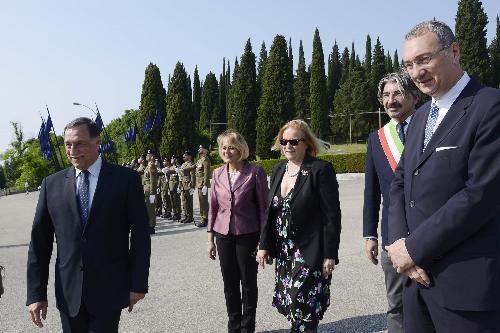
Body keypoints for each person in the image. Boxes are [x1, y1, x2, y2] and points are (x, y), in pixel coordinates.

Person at [386, 20, 500, 332]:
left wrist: (413, 249)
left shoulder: (490, 106)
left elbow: (480, 195)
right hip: (416, 283)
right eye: (409, 64)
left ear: (453, 51)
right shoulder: (421, 115)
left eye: (424, 60)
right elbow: (399, 181)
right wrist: (397, 242)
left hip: (465, 288)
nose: (416, 72)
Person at [26, 117, 150, 332]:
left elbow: (140, 236)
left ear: (97, 142)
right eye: (68, 144)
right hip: (68, 292)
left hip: (109, 288)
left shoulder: (125, 179)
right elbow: (40, 243)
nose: (72, 150)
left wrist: (138, 284)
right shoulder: (51, 184)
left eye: (80, 143)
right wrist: (36, 294)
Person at [257, 120, 341, 333]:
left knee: (302, 305)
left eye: (294, 141)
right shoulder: (278, 170)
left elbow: (331, 216)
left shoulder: (320, 170)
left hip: (309, 252)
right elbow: (270, 212)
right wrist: (264, 244)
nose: (288, 146)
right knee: (292, 307)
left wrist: (330, 254)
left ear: (306, 143)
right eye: (284, 141)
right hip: (285, 252)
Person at [363, 72, 419, 333]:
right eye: (386, 95)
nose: (391, 100)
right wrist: (369, 235)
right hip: (392, 235)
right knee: (396, 305)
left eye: (397, 93)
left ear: (414, 95)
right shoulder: (377, 139)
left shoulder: (433, 127)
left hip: (430, 230)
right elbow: (371, 192)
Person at [207, 131, 269, 333]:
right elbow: (213, 208)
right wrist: (210, 240)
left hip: (247, 234)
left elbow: (263, 209)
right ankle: (233, 327)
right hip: (223, 235)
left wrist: (263, 241)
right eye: (224, 147)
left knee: (248, 283)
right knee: (229, 284)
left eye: (231, 147)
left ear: (241, 149)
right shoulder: (217, 173)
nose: (227, 151)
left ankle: (247, 327)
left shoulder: (255, 172)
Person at [195, 145, 211, 227]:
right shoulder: (199, 160)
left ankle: (205, 218)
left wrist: (205, 184)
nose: (199, 149)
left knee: (204, 202)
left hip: (202, 184)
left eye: (201, 148)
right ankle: (203, 217)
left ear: (205, 150)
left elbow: (207, 173)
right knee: (201, 201)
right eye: (199, 148)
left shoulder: (206, 160)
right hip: (199, 184)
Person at [143, 150, 158, 234]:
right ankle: (148, 225)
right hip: (147, 191)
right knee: (148, 209)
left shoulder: (152, 166)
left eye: (148, 155)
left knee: (151, 209)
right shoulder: (147, 166)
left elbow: (153, 181)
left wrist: (152, 193)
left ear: (152, 157)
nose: (146, 156)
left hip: (150, 191)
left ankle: (151, 227)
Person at [179, 150, 196, 224]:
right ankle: (186, 215)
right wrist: (180, 184)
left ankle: (190, 217)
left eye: (185, 155)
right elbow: (180, 175)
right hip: (183, 185)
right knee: (184, 201)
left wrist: (192, 186)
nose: (183, 156)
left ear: (189, 157)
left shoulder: (191, 164)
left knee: (189, 202)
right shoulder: (183, 164)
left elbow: (192, 175)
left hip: (188, 185)